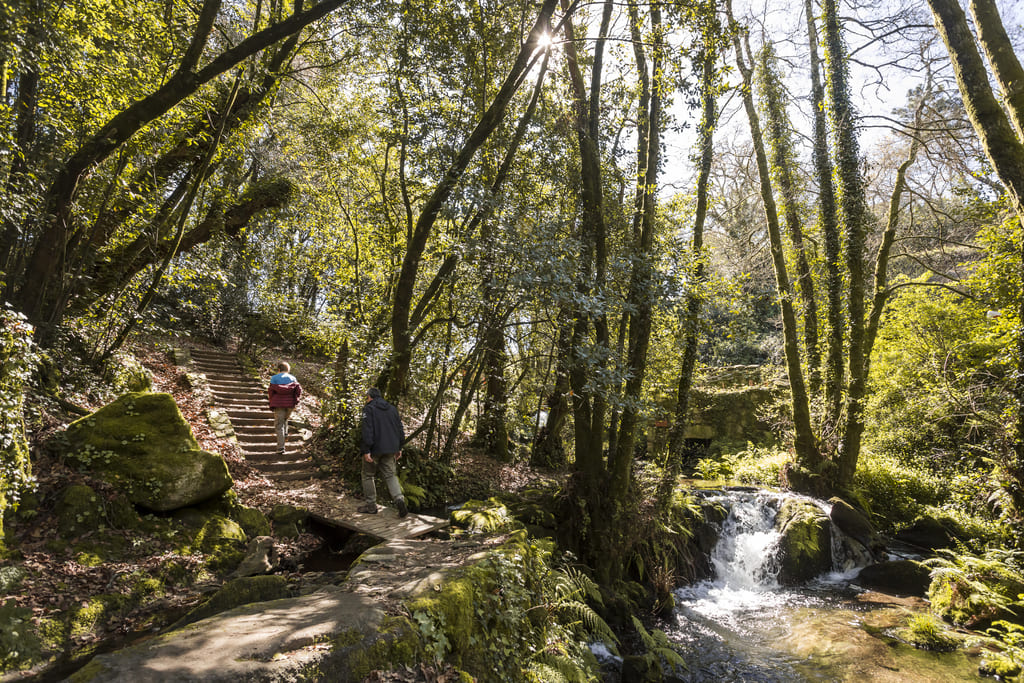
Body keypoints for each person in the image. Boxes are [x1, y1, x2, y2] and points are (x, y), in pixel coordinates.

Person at [359, 387, 408, 517]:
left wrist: (366, 450)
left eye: (367, 397)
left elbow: (367, 430)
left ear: (370, 397)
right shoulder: (392, 409)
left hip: (374, 449)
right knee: (391, 475)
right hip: (391, 448)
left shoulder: (369, 409)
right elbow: (399, 429)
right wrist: (399, 447)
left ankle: (371, 506)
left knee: (368, 475)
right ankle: (399, 499)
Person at [267, 362, 302, 455]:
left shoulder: (274, 378)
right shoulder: (293, 378)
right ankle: (285, 434)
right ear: (288, 370)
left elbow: (270, 391)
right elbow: (298, 390)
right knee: (285, 419)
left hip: (278, 404)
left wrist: (271, 401)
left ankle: (280, 448)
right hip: (290, 404)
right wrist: (296, 400)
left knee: (279, 425)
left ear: (278, 369)